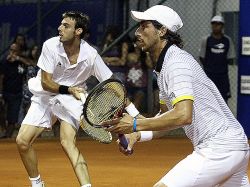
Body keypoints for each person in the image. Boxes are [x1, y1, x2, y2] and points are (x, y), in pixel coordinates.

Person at [102, 5, 250, 187]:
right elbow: (166, 119)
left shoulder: (176, 64)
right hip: (233, 146)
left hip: (219, 147)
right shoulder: (165, 65)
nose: (138, 32)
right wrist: (137, 135)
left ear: (162, 30)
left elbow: (183, 116)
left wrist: (134, 124)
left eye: (144, 26)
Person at [16, 11, 113, 187]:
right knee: (22, 142)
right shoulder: (50, 45)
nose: (60, 28)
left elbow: (111, 83)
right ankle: (37, 183)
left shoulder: (91, 55)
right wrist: (69, 89)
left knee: (68, 143)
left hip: (71, 100)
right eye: (61, 24)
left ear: (78, 31)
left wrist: (133, 112)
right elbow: (46, 83)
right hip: (46, 96)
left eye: (66, 26)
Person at [199, 15, 236, 103]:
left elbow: (230, 58)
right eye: (214, 23)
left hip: (223, 76)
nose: (216, 26)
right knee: (207, 100)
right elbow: (201, 57)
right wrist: (210, 68)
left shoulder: (227, 40)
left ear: (222, 26)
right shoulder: (206, 40)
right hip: (209, 75)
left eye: (218, 24)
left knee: (223, 100)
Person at [0, 43, 28, 138]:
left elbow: (32, 64)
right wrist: (0, 93)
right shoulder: (4, 62)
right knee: (2, 113)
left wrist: (19, 59)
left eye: (15, 51)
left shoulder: (21, 62)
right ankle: (3, 130)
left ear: (19, 52)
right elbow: (1, 78)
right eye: (11, 50)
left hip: (17, 94)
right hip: (5, 92)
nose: (12, 52)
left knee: (13, 117)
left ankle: (7, 137)